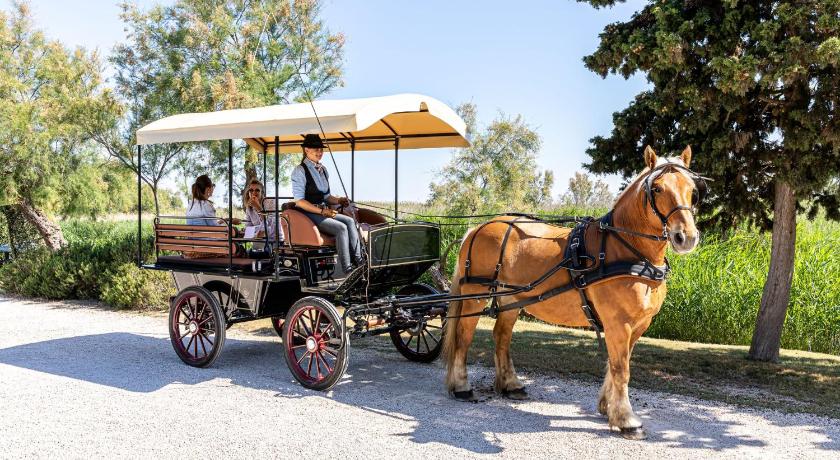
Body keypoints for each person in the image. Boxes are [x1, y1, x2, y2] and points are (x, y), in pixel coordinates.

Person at [290, 134, 363, 273]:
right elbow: (299, 201)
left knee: (350, 222)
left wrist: (339, 200)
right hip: (307, 214)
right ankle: (347, 269)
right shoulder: (300, 171)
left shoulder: (323, 170)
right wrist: (323, 212)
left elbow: (327, 196)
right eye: (316, 149)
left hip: (323, 212)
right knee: (341, 228)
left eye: (321, 149)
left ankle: (359, 263)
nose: (319, 152)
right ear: (306, 150)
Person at [242, 178, 283, 246]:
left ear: (262, 193)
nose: (254, 193)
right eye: (251, 190)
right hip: (259, 242)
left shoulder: (271, 202)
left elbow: (270, 224)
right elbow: (248, 227)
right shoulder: (249, 208)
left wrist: (258, 208)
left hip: (274, 241)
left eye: (257, 190)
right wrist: (246, 231)